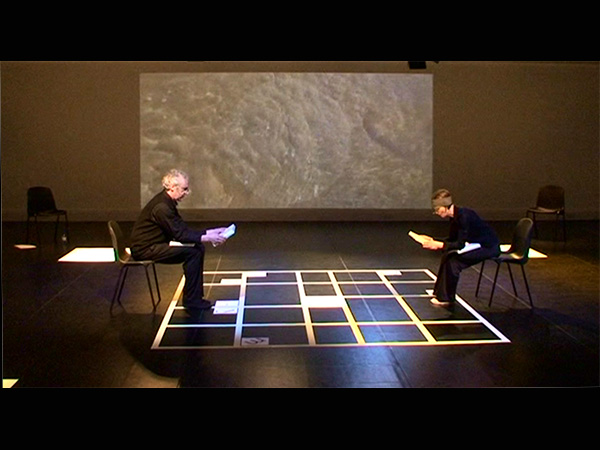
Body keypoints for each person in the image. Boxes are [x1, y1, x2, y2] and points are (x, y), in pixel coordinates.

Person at [130, 169, 229, 315]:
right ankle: (192, 301)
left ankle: (193, 298)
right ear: (172, 188)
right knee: (193, 253)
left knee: (197, 248)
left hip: (155, 244)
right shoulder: (162, 207)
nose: (186, 193)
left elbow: (181, 229)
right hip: (145, 249)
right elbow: (180, 234)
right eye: (184, 189)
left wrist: (211, 232)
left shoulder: (167, 203)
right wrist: (208, 237)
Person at [418, 189, 500, 307]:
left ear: (445, 207)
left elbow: (460, 244)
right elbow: (453, 239)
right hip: (476, 244)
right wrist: (433, 240)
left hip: (488, 247)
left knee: (454, 262)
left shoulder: (464, 216)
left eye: (437, 209)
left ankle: (447, 298)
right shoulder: (454, 217)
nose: (436, 212)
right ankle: (439, 292)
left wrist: (438, 245)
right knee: (447, 255)